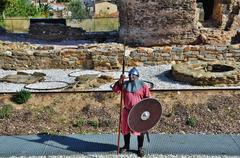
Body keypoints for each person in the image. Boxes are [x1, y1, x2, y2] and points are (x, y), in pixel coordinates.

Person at [112, 67, 151, 157]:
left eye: (133, 75)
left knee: (140, 130)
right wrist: (120, 80)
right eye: (129, 75)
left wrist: (146, 111)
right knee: (125, 130)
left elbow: (148, 99)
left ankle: (140, 148)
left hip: (138, 112)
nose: (131, 76)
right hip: (127, 111)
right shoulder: (124, 84)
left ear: (137, 76)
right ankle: (126, 146)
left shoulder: (143, 85)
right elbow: (115, 89)